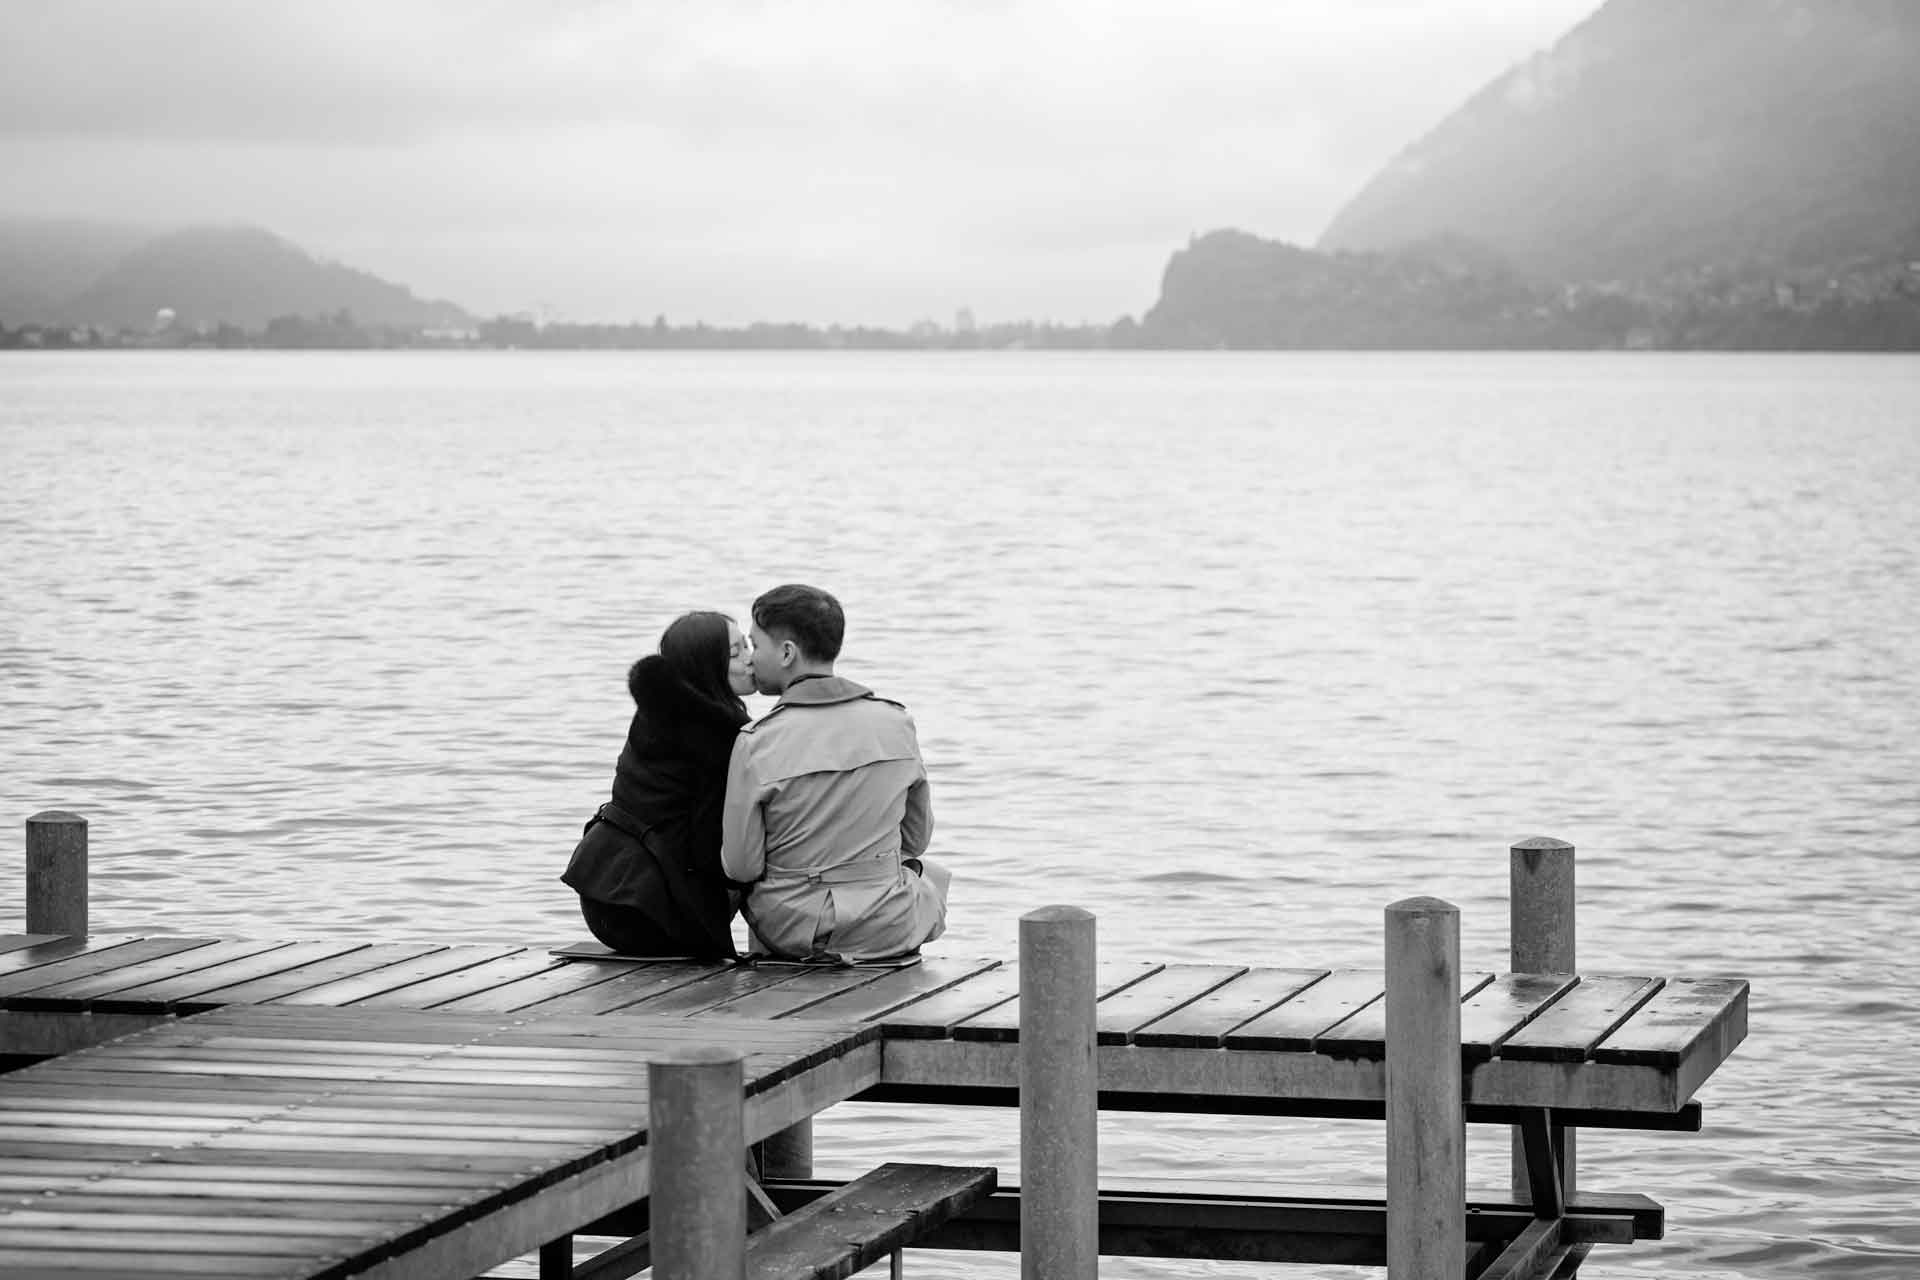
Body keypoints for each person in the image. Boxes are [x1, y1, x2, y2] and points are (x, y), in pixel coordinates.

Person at [721, 584, 950, 962]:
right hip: (890, 923)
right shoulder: (896, 722)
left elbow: (743, 865)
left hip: (799, 930)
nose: (751, 658)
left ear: (787, 653)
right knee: (927, 873)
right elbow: (916, 838)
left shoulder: (757, 741)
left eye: (756, 646)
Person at [561, 611, 754, 959]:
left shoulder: (658, 712)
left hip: (605, 894)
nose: (749, 659)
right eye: (736, 652)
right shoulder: (717, 736)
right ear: (707, 664)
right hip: (651, 913)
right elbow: (708, 842)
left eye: (748, 646)